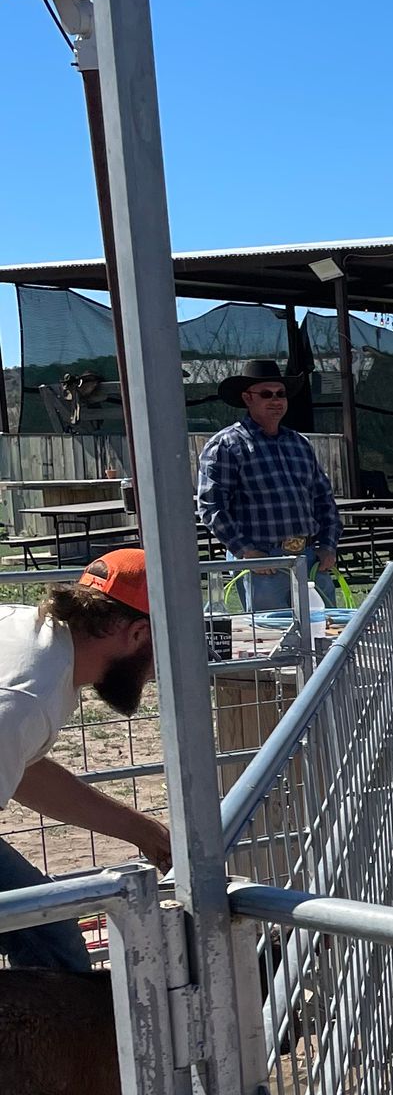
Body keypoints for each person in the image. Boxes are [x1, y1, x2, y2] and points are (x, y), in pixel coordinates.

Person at [0, 550, 170, 974]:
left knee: (47, 931)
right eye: (163, 651)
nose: (155, 672)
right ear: (138, 634)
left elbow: (25, 770)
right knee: (51, 944)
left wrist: (139, 829)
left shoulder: (41, 646)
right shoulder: (27, 694)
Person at [195, 367, 343, 611]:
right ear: (247, 398)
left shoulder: (300, 443)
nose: (276, 400)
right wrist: (247, 551)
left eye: (281, 394)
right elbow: (211, 507)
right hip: (263, 562)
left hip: (309, 559)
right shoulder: (226, 445)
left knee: (324, 634)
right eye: (266, 394)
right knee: (271, 636)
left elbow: (324, 500)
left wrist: (328, 545)